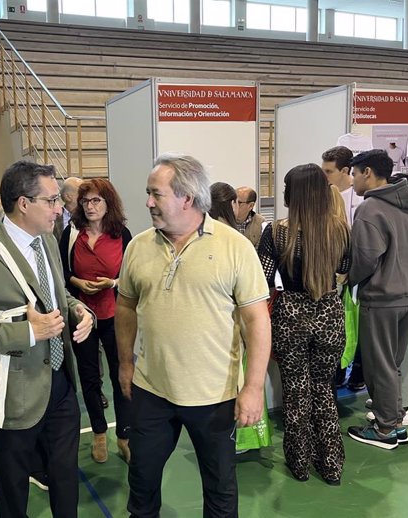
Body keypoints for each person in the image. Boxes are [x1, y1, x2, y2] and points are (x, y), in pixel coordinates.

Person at [116, 153, 270, 518]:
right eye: (148, 193)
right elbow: (125, 306)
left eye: (156, 194)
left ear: (186, 197)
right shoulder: (139, 246)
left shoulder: (234, 247)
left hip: (214, 396)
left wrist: (253, 387)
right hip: (152, 391)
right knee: (141, 484)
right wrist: (125, 363)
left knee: (219, 489)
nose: (148, 202)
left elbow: (256, 321)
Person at [0, 160, 94, 518]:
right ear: (24, 203)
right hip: (12, 397)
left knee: (64, 479)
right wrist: (29, 331)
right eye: (53, 200)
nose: (61, 208)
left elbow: (56, 294)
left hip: (60, 385)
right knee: (13, 492)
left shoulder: (46, 240)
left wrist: (78, 309)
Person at [257, 164, 351, 485]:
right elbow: (344, 266)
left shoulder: (277, 231)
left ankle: (299, 463)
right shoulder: (339, 229)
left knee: (296, 390)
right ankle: (331, 465)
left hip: (292, 315)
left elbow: (264, 277)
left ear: (292, 194)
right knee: (325, 388)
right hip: (328, 311)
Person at [347, 150, 408, 450]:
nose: (352, 180)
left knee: (378, 364)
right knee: (394, 362)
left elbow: (366, 257)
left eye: (354, 173)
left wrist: (348, 279)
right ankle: (394, 423)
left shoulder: (370, 209)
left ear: (368, 172)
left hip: (382, 297)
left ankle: (383, 430)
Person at [59, 178, 132, 464]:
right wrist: (77, 281)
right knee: (90, 378)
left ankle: (124, 435)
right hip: (82, 316)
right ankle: (99, 433)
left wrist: (112, 283)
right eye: (85, 201)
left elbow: (131, 275)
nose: (90, 207)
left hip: (116, 315)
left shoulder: (122, 234)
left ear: (107, 203)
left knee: (121, 375)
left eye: (96, 201)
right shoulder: (71, 234)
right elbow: (61, 273)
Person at [322, 145, 365, 391]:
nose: (325, 176)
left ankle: (358, 372)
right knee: (339, 325)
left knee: (357, 327)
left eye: (329, 171)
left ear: (346, 170)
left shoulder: (362, 198)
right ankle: (337, 372)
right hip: (335, 275)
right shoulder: (324, 196)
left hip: (357, 273)